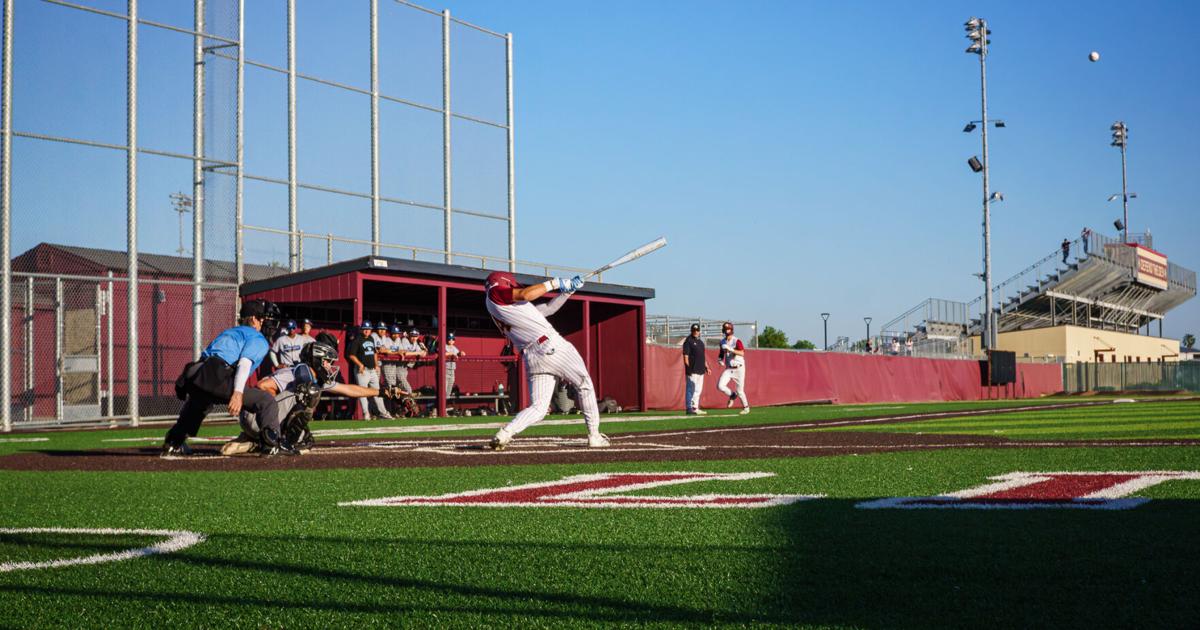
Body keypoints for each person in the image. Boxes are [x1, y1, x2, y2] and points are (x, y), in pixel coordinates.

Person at [483, 271, 608, 449]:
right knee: (584, 384)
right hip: (550, 346)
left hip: (532, 357)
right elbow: (525, 294)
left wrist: (568, 291)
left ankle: (504, 434)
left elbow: (548, 308)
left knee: (539, 408)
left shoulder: (510, 309)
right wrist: (555, 283)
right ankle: (594, 435)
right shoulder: (495, 292)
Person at [163, 299, 293, 456]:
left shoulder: (230, 332)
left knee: (200, 402)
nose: (269, 324)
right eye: (264, 319)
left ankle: (174, 441)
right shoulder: (257, 337)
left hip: (194, 373)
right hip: (218, 375)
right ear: (254, 319)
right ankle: (272, 443)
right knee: (266, 401)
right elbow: (244, 363)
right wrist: (238, 393)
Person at [221, 337, 387, 455]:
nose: (330, 366)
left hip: (258, 420)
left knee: (305, 440)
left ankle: (253, 441)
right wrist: (271, 417)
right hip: (256, 417)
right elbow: (262, 386)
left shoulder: (312, 377)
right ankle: (276, 440)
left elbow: (349, 390)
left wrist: (382, 392)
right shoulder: (295, 372)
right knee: (309, 392)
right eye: (327, 362)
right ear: (317, 360)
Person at [346, 321, 392, 420]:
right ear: (361, 330)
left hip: (372, 370)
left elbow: (374, 353)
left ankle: (383, 413)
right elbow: (351, 355)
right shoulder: (357, 340)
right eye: (365, 329)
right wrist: (360, 364)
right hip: (362, 371)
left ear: (371, 330)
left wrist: (376, 365)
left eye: (368, 329)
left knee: (377, 392)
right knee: (362, 393)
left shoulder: (371, 338)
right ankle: (366, 414)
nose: (367, 331)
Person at [716, 321, 750, 414]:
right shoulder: (722, 342)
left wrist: (731, 349)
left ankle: (746, 408)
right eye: (725, 329)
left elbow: (742, 353)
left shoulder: (736, 341)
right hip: (729, 368)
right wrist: (720, 360)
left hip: (739, 368)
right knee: (720, 386)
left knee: (740, 391)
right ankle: (732, 395)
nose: (727, 331)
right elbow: (721, 354)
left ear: (731, 330)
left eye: (728, 329)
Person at [681, 323, 708, 415]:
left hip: (701, 370)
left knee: (698, 390)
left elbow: (702, 356)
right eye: (694, 330)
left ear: (699, 331)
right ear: (691, 331)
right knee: (690, 389)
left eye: (697, 330)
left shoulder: (701, 342)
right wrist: (688, 368)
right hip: (692, 370)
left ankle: (695, 407)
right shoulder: (688, 341)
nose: (696, 332)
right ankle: (689, 408)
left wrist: (706, 367)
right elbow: (686, 356)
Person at [396, 328, 427, 394]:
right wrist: (418, 353)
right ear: (409, 336)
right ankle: (410, 395)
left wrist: (424, 350)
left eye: (415, 336)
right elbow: (406, 353)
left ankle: (403, 398)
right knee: (405, 385)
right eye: (412, 336)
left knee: (400, 385)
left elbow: (423, 353)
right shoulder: (405, 340)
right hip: (398, 365)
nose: (414, 338)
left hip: (405, 367)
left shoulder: (416, 342)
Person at [444, 332, 464, 396]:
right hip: (445, 369)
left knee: (450, 385)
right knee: (444, 387)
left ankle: (447, 399)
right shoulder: (444, 346)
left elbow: (458, 353)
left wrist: (461, 353)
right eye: (449, 338)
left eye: (453, 339)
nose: (451, 340)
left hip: (452, 370)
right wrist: (452, 354)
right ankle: (443, 400)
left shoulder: (454, 348)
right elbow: (444, 353)